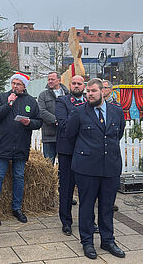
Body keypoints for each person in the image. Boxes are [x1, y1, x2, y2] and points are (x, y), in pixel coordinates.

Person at [67, 78, 126, 260]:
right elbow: (70, 135)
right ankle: (87, 242)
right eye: (87, 92)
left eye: (93, 91)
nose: (89, 94)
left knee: (107, 207)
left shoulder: (116, 111)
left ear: (102, 91)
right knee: (86, 206)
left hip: (110, 166)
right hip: (86, 168)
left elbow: (118, 133)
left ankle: (108, 240)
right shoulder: (79, 112)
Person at [0, 72, 42, 225]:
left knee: (19, 176)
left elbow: (39, 121)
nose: (15, 86)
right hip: (3, 145)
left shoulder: (31, 101)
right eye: (13, 83)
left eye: (18, 84)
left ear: (24, 86)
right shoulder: (3, 97)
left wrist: (29, 123)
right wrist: (8, 104)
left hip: (21, 146)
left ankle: (17, 208)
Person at [55, 75, 85, 236]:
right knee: (66, 188)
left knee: (87, 189)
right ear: (69, 85)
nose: (76, 86)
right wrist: (86, 126)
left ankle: (88, 220)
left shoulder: (89, 101)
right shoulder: (62, 101)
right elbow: (64, 123)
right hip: (67, 151)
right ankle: (66, 221)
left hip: (86, 152)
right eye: (73, 83)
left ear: (84, 85)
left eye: (79, 84)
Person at [38, 72, 69, 165]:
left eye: (52, 79)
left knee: (65, 164)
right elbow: (41, 111)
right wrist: (56, 120)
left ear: (59, 80)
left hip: (65, 135)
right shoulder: (43, 95)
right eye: (48, 79)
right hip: (49, 135)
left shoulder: (67, 94)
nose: (50, 81)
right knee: (48, 165)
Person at [103, 79, 120, 212]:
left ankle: (110, 201)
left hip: (111, 148)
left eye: (105, 87)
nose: (102, 90)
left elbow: (120, 128)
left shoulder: (116, 106)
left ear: (110, 90)